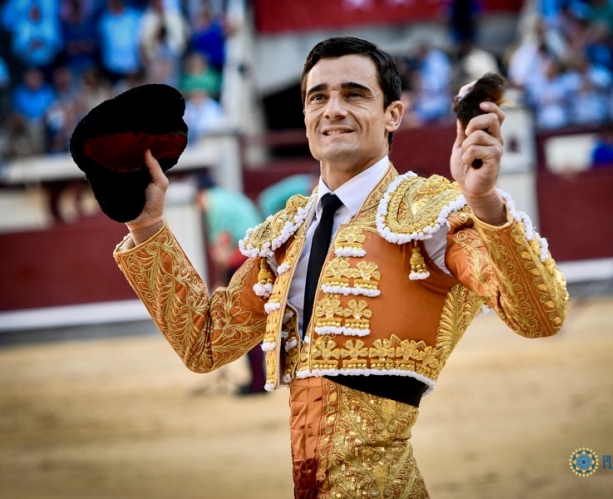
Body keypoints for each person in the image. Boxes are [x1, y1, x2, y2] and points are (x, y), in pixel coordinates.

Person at [113, 37, 568, 497]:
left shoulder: (429, 215)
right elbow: (205, 342)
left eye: (354, 94)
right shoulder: (286, 234)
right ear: (307, 118)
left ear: (393, 114)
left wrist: (485, 202)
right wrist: (146, 224)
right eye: (318, 97)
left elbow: (539, 316)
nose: (332, 109)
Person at [195, 173, 267, 394]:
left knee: (244, 318)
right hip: (259, 257)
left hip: (243, 260)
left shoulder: (213, 203)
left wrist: (221, 280)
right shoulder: (231, 197)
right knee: (254, 318)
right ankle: (258, 378)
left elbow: (222, 247)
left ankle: (257, 382)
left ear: (201, 195)